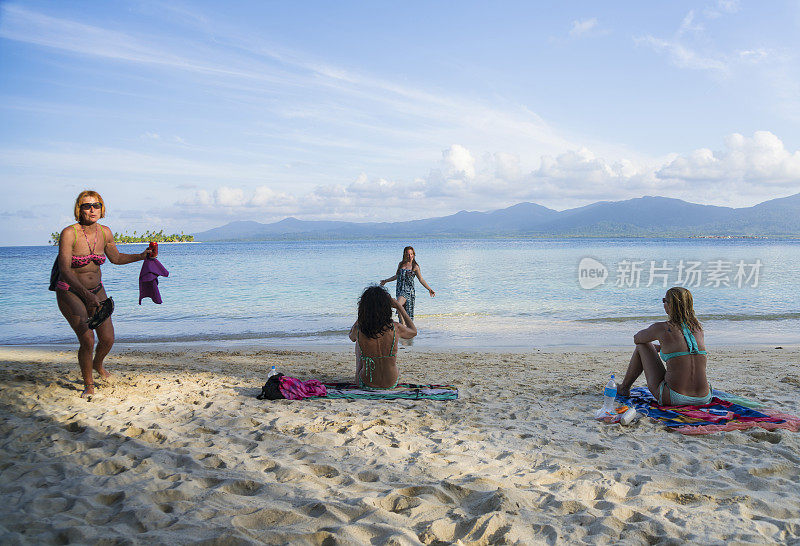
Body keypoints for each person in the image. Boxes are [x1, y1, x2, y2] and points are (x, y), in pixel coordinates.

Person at [51, 190, 152, 397]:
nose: (92, 209)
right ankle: (89, 384)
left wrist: (142, 256)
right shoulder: (70, 233)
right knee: (87, 339)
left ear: (102, 209)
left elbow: (116, 258)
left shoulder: (105, 232)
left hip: (97, 290)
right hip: (70, 291)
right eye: (87, 206)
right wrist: (87, 297)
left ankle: (98, 364)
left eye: (96, 205)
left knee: (107, 339)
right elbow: (65, 270)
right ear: (79, 209)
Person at [617, 287, 712, 406]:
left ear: (670, 305)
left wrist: (653, 346)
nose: (663, 304)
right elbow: (684, 351)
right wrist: (663, 347)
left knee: (642, 346)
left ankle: (624, 388)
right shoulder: (698, 329)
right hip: (704, 398)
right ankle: (624, 387)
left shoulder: (661, 328)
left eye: (664, 301)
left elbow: (637, 338)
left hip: (675, 398)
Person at [348, 286, 417, 388]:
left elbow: (351, 337)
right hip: (391, 383)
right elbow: (413, 332)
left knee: (359, 343)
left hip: (366, 383)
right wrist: (399, 307)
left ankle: (358, 377)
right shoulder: (395, 327)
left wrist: (361, 314)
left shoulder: (359, 329)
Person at [379, 246, 435, 325]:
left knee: (398, 305)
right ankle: (403, 326)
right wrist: (386, 281)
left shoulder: (415, 266)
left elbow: (421, 279)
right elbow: (397, 276)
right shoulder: (401, 264)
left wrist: (429, 289)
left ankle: (403, 325)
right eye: (408, 254)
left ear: (414, 255)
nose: (410, 256)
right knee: (402, 311)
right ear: (404, 255)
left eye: (411, 254)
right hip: (399, 290)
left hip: (408, 291)